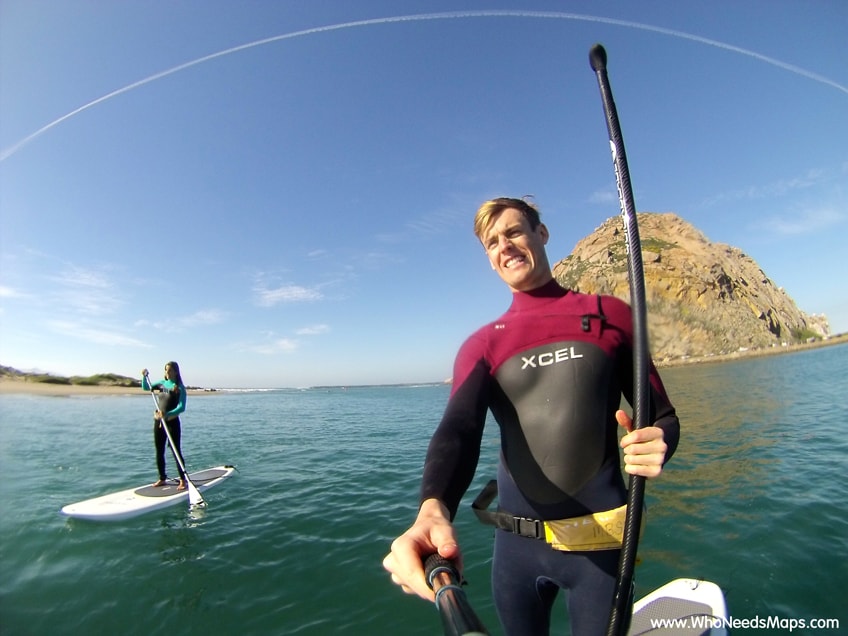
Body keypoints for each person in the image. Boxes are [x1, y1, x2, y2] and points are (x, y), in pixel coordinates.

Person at [383, 197, 680, 636]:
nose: (505, 245)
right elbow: (459, 430)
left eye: (514, 232)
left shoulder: (608, 315)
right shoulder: (484, 344)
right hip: (516, 552)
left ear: (541, 234)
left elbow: (663, 417)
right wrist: (433, 507)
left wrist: (659, 444)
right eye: (492, 242)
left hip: (600, 547)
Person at [141, 362, 188, 491]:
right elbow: (146, 388)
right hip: (159, 422)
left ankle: (183, 480)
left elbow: (181, 407)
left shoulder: (179, 388)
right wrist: (144, 377)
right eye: (166, 370)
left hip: (172, 422)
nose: (167, 373)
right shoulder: (162, 385)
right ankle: (162, 478)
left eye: (170, 371)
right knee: (159, 450)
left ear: (176, 372)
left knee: (175, 451)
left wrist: (167, 414)